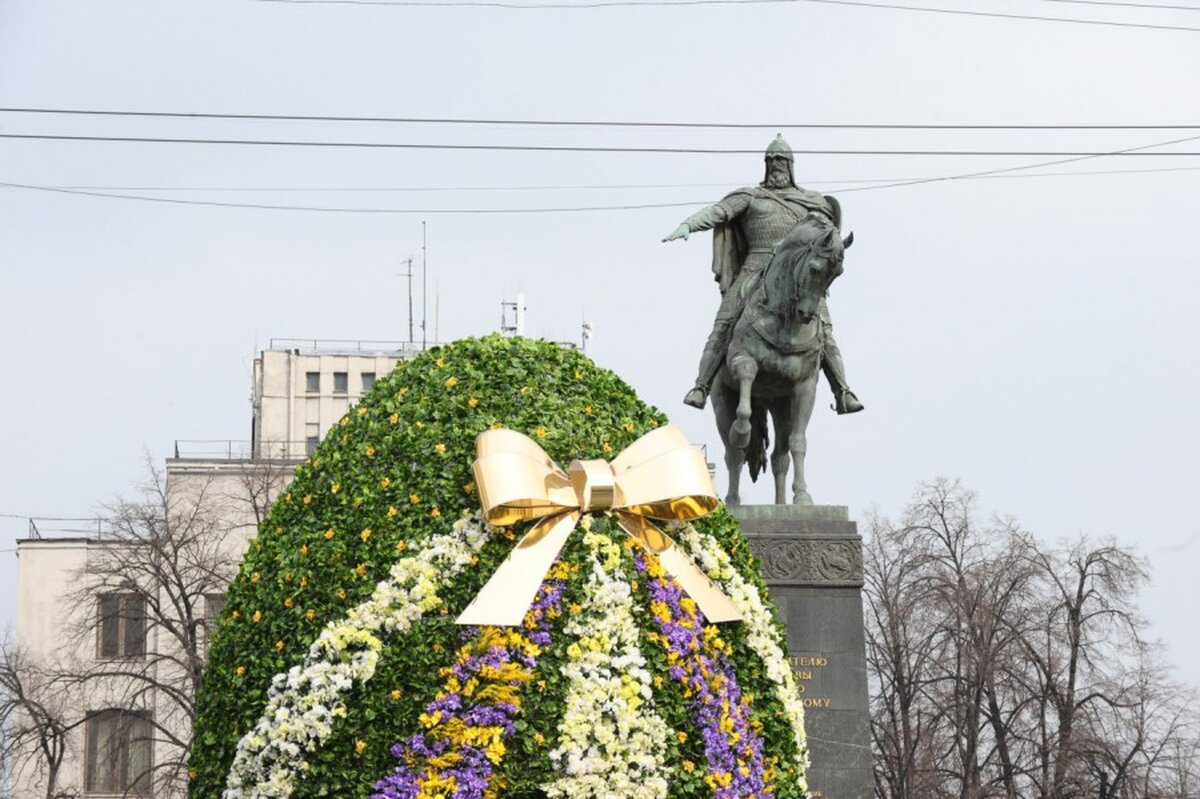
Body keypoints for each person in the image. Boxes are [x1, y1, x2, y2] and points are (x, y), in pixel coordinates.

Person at [663, 134, 864, 414]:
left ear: (791, 165)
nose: (777, 166)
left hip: (800, 278)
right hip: (753, 270)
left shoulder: (813, 202)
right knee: (723, 324)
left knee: (826, 333)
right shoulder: (750, 196)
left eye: (782, 161)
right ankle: (701, 386)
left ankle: (842, 390)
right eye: (772, 162)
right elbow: (718, 212)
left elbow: (829, 240)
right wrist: (689, 224)